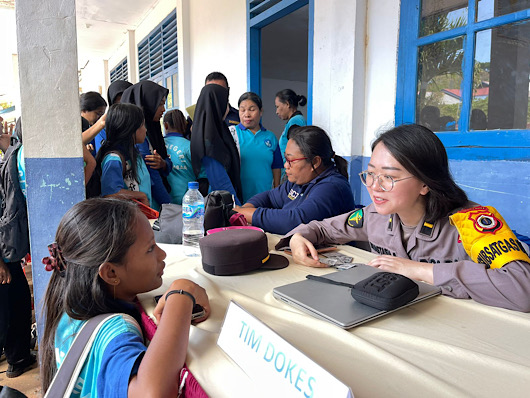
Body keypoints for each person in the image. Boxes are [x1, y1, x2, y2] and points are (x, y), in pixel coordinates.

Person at [281, 124, 530, 312]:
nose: (374, 187)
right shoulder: (375, 216)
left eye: (388, 177)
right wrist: (299, 237)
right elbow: (322, 229)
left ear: (425, 183)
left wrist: (422, 270)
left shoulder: (471, 222)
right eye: (370, 174)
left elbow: (523, 288)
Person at [40, 198, 210, 396]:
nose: (162, 254)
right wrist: (182, 293)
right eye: (150, 249)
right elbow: (152, 393)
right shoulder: (116, 330)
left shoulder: (70, 308)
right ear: (111, 273)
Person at [234, 125, 355, 235]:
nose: (286, 165)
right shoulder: (298, 181)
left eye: (290, 161)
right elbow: (270, 197)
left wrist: (243, 213)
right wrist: (246, 209)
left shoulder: (332, 187)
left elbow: (294, 221)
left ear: (315, 162)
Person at [0, 117, 36, 378]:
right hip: (2, 259)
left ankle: (19, 358)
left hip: (6, 254)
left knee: (19, 302)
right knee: (9, 310)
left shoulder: (8, 152)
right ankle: (16, 358)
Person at [121, 81, 172, 209]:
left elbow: (167, 161)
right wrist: (169, 206)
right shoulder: (138, 137)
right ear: (148, 103)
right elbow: (153, 177)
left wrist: (163, 163)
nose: (163, 109)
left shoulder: (154, 130)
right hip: (151, 203)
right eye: (160, 104)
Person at [191, 83, 243, 204]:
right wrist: (239, 210)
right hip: (218, 203)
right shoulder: (208, 140)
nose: (228, 108)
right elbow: (220, 182)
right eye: (225, 103)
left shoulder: (217, 132)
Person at [230, 92, 283, 202]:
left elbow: (276, 166)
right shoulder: (232, 134)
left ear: (261, 111)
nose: (247, 114)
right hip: (240, 197)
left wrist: (277, 189)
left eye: (252, 109)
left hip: (264, 196)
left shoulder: (270, 137)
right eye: (242, 110)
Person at [96, 103, 152, 206]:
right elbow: (110, 194)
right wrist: (141, 195)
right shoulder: (114, 159)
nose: (145, 129)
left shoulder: (133, 153)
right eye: (142, 125)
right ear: (131, 129)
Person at [163, 109, 207, 204]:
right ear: (185, 125)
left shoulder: (158, 145)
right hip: (186, 200)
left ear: (165, 125)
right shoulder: (190, 146)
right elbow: (203, 175)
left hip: (163, 200)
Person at [92, 80, 134, 155]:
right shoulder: (104, 128)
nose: (124, 110)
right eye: (119, 105)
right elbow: (104, 157)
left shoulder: (140, 124)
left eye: (127, 104)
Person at [275, 89, 307, 167]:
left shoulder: (296, 121)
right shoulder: (293, 121)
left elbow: (296, 149)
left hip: (290, 169)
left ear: (287, 104)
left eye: (277, 107)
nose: (277, 111)